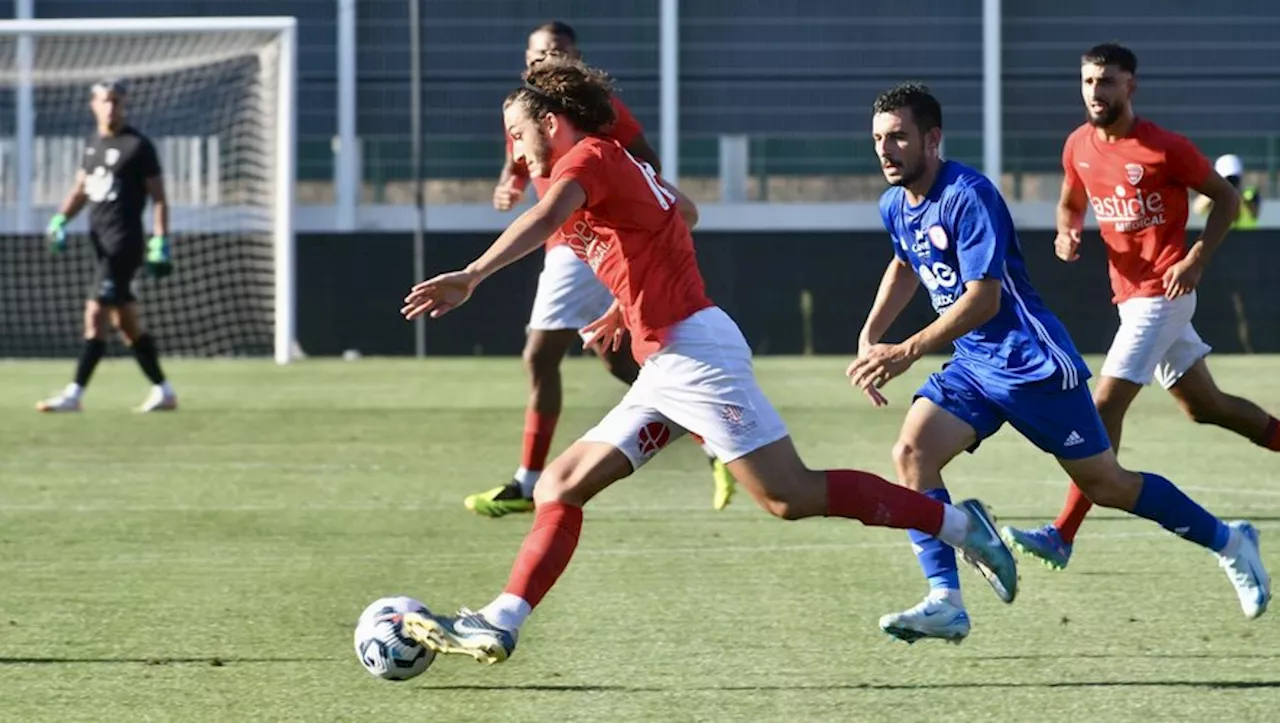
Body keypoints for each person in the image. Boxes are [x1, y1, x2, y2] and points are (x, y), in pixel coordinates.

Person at [396, 62, 1019, 664]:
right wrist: (629, 303)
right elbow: (679, 214)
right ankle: (503, 620)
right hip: (667, 361)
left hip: (693, 357)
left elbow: (549, 217)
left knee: (791, 496)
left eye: (518, 131)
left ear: (553, 122)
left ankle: (962, 527)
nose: (515, 146)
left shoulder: (589, 157)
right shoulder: (617, 162)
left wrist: (473, 275)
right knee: (560, 484)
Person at [850, 81, 1269, 644]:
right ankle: (946, 599)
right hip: (975, 364)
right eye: (878, 138)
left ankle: (1231, 541)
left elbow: (985, 298)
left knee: (1108, 484)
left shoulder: (968, 194)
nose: (886, 149)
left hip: (1031, 364)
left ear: (933, 138)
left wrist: (906, 349)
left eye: (899, 137)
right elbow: (905, 262)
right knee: (911, 453)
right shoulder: (894, 203)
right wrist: (870, 334)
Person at [1001, 43, 1280, 571]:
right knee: (1207, 407)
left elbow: (1227, 201)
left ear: (1131, 86)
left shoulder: (1165, 148)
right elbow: (1072, 197)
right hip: (1131, 299)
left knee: (1102, 409)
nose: (1095, 92)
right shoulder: (1078, 145)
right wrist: (1067, 230)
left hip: (1163, 294)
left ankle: (1062, 534)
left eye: (1106, 81)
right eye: (1087, 81)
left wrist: (1195, 258)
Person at [467, 20, 737, 517]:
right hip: (573, 241)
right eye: (539, 52)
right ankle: (712, 439)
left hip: (590, 238)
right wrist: (509, 181)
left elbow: (640, 170)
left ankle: (530, 479)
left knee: (541, 354)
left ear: (573, 58)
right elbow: (522, 166)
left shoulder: (592, 131)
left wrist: (473, 274)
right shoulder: (524, 112)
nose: (546, 59)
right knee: (614, 357)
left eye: (557, 51)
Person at [36, 79, 177, 413]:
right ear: (93, 104)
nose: (111, 107)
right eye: (104, 101)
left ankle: (74, 395)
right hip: (99, 245)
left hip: (124, 244)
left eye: (116, 101)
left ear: (124, 103)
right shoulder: (92, 145)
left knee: (95, 312)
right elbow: (81, 190)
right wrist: (59, 220)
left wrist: (160, 239)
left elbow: (159, 198)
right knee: (127, 325)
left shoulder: (138, 146)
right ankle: (164, 391)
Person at [1193, 154, 1261, 230]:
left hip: (1247, 239)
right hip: (1220, 239)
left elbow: (1254, 212)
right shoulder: (1213, 195)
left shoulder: (1250, 193)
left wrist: (1235, 192)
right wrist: (1218, 189)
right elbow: (1198, 209)